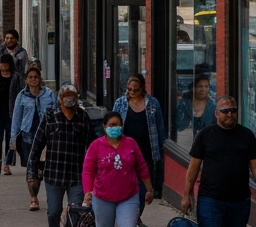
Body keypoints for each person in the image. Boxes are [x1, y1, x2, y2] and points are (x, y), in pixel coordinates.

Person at [179, 95, 256, 227]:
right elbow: (193, 168)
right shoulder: (205, 135)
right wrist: (186, 195)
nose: (229, 114)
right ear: (216, 113)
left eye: (233, 110)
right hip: (210, 200)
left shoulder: (247, 135)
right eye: (225, 111)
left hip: (240, 200)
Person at [29, 83, 96, 227]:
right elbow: (36, 146)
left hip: (77, 176)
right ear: (59, 99)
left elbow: (93, 147)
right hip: (54, 175)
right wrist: (32, 172)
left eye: (72, 96)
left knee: (76, 212)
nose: (69, 99)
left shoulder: (83, 118)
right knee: (54, 212)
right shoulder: (50, 117)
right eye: (66, 96)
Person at [82, 112, 154, 227]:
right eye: (112, 125)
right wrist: (87, 192)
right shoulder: (96, 146)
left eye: (118, 125)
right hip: (102, 198)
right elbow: (88, 171)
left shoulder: (131, 143)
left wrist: (149, 189)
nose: (115, 128)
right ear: (104, 127)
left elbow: (142, 166)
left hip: (128, 197)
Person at [111, 73, 164, 217]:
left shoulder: (153, 104)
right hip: (124, 156)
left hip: (146, 155)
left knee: (141, 192)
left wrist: (159, 154)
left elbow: (160, 129)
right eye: (129, 89)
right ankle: (129, 218)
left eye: (136, 89)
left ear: (142, 88)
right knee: (124, 190)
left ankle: (134, 218)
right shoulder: (120, 103)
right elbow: (113, 126)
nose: (132, 92)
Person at [10, 66, 58, 211]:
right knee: (31, 170)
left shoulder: (49, 94)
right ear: (26, 79)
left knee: (44, 170)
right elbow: (17, 117)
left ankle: (51, 198)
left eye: (35, 77)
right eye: (30, 77)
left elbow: (56, 113)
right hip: (28, 137)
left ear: (40, 79)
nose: (33, 79)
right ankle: (34, 198)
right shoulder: (22, 96)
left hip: (46, 139)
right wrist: (13, 138)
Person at [174, 75, 218, 143]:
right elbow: (178, 125)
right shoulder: (183, 103)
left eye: (206, 86)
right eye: (200, 86)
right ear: (194, 88)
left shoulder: (213, 106)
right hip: (183, 145)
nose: (203, 89)